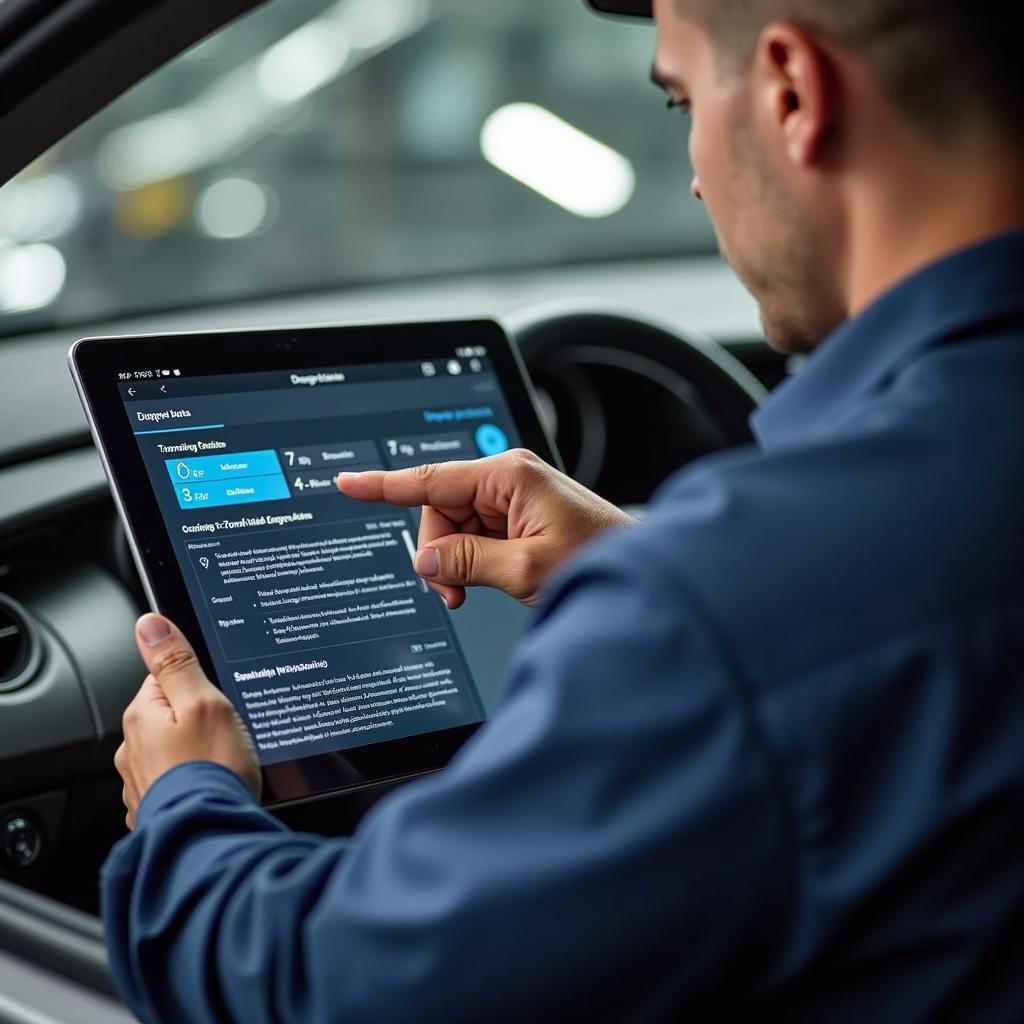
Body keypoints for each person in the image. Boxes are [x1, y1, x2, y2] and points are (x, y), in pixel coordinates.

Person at [104, 0, 1024, 1020]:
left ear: (791, 91)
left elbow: (327, 989)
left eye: (680, 102)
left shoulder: (729, 612)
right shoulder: (806, 577)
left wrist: (187, 796)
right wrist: (652, 583)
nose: (692, 171)